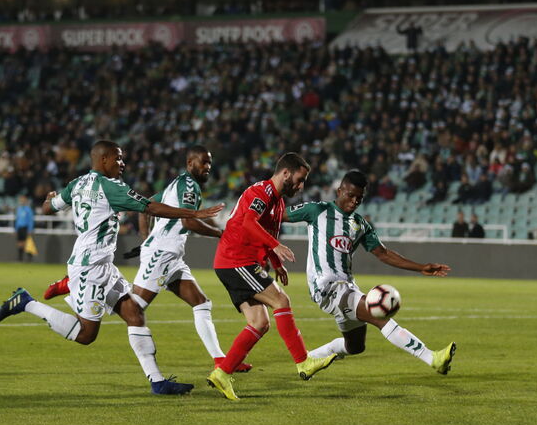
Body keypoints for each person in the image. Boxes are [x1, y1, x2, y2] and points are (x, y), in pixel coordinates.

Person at [0, 140, 223, 396]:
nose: (122, 164)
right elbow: (149, 207)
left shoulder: (77, 183)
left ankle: (157, 382)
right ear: (103, 160)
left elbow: (48, 207)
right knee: (85, 335)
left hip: (103, 266)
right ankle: (26, 302)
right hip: (89, 268)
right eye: (118, 158)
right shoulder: (111, 187)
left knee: (134, 313)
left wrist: (50, 199)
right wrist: (192, 214)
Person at [43, 145, 246, 372]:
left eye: (210, 162)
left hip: (169, 255)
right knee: (133, 310)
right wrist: (217, 230)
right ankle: (71, 286)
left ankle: (220, 359)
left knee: (201, 303)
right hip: (161, 254)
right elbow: (165, 213)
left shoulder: (174, 183)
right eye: (204, 162)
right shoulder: (189, 185)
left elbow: (146, 206)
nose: (208, 167)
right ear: (191, 164)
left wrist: (146, 239)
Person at [286, 170, 456, 372]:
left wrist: (421, 267)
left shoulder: (360, 225)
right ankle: (432, 358)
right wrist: (266, 247)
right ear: (340, 191)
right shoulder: (317, 210)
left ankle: (307, 360)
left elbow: (383, 254)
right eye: (351, 195)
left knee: (355, 346)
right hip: (326, 287)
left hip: (347, 287)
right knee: (379, 315)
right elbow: (276, 216)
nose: (355, 201)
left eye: (360, 197)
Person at [207, 152, 339, 401]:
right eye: (299, 180)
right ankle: (303, 361)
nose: (301, 187)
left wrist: (276, 263)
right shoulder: (263, 192)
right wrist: (275, 247)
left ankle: (222, 373)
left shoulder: (277, 203)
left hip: (235, 262)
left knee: (260, 323)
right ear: (286, 173)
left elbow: (264, 233)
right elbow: (248, 222)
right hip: (236, 259)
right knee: (281, 301)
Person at [14, 195, 34, 262]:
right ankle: (20, 259)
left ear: (26, 201)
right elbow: (17, 220)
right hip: (20, 228)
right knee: (20, 243)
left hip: (25, 228)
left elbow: (30, 220)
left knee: (27, 243)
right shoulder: (19, 209)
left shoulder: (28, 209)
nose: (22, 201)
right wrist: (16, 229)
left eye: (23, 200)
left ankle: (29, 259)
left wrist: (30, 229)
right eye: (21, 200)